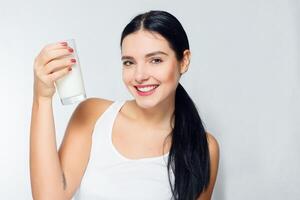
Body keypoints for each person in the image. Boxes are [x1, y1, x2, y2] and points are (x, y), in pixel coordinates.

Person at [30, 10, 219, 200]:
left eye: (155, 60)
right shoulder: (92, 115)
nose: (139, 75)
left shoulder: (203, 147)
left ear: (184, 61)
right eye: (129, 62)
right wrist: (42, 98)